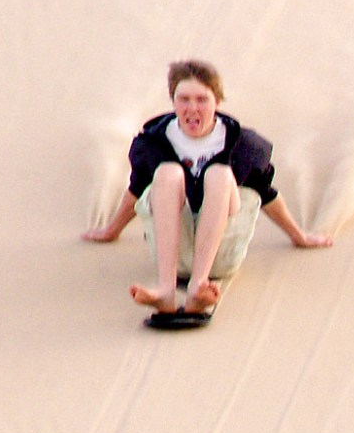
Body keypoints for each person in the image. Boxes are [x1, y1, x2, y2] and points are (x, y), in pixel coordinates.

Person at [82, 60, 330, 315]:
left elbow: (265, 192)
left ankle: (198, 287)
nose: (192, 108)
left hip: (221, 257)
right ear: (173, 101)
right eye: (184, 99)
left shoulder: (241, 145)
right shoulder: (154, 142)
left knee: (220, 175)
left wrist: (298, 236)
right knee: (167, 173)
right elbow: (136, 190)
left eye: (202, 99)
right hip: (174, 258)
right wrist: (111, 230)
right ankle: (165, 290)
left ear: (217, 102)